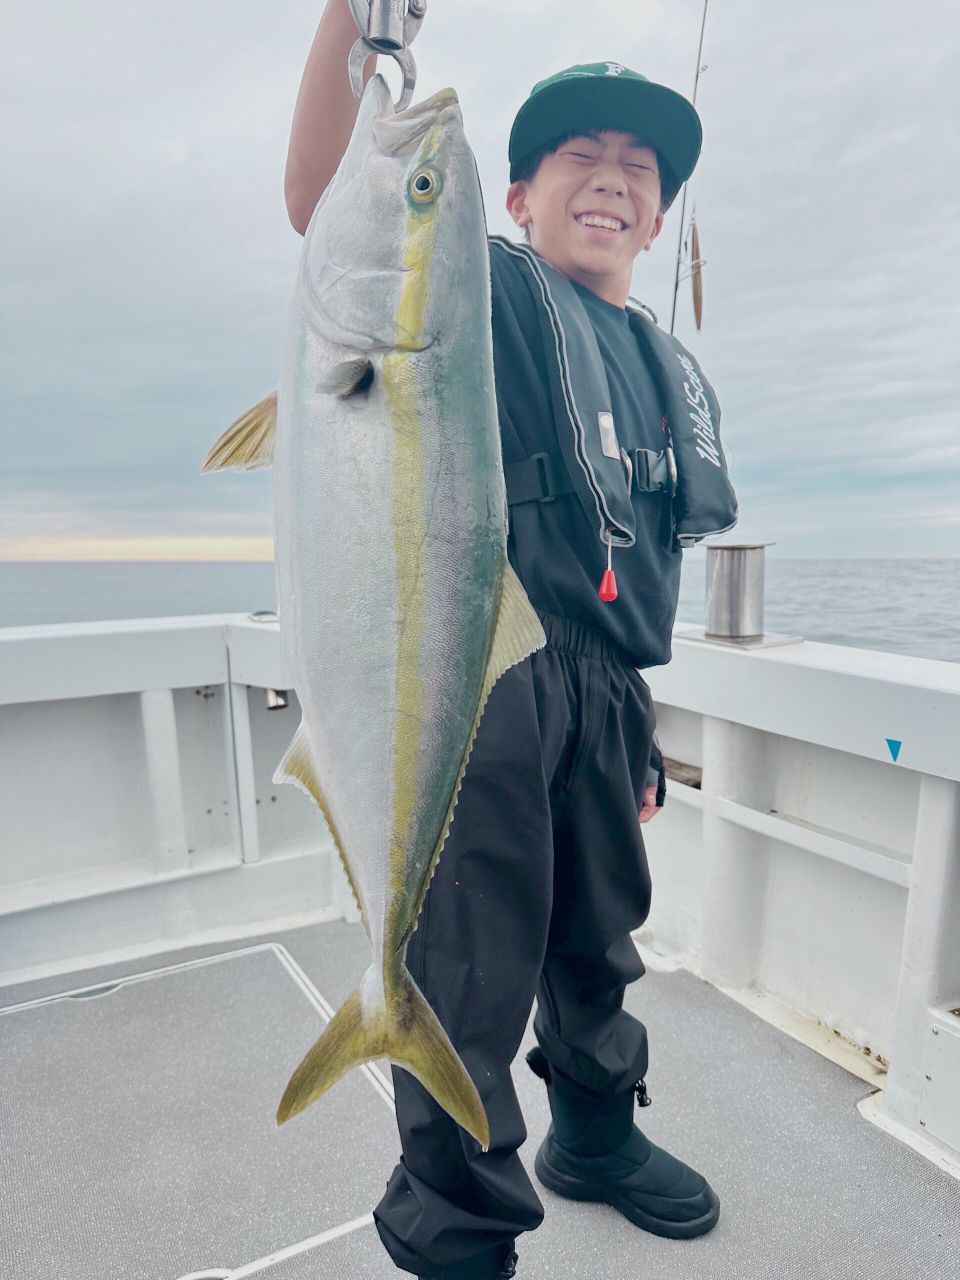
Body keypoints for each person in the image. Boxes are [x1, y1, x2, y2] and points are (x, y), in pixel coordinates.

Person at [285, 5, 727, 1276]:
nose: (614, 181)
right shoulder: (491, 292)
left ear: (659, 218)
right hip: (484, 677)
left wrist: (637, 731)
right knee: (467, 969)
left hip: (605, 695)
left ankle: (591, 1134)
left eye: (640, 171)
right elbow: (330, 197)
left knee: (599, 945)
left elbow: (648, 552)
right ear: (521, 197)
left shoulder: (663, 361)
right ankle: (458, 1230)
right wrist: (348, 26)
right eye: (582, 159)